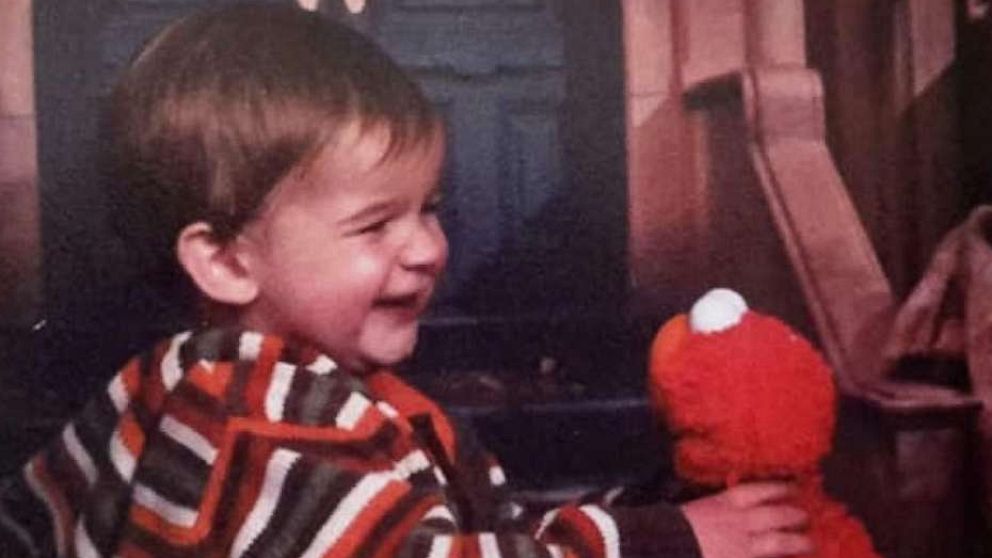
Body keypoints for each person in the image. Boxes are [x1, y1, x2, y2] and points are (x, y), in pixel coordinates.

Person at [0, 4, 813, 557]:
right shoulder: (238, 407)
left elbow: (482, 529)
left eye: (429, 209)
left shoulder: (349, 395)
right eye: (374, 225)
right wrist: (662, 543)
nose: (427, 247)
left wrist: (653, 505)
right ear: (224, 261)